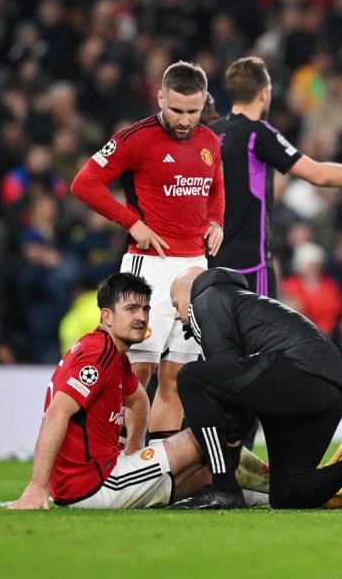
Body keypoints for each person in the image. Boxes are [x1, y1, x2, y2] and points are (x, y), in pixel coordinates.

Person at [70, 61, 225, 442]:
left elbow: (216, 185)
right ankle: (114, 457)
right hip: (149, 266)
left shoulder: (209, 141)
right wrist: (131, 222)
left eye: (193, 111)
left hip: (194, 269)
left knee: (178, 376)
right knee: (138, 370)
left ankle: (157, 468)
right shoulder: (135, 139)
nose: (185, 120)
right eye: (176, 110)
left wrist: (216, 220)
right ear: (160, 98)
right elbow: (84, 182)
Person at [167, 266, 342, 510]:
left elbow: (225, 373)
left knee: (191, 377)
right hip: (331, 386)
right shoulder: (238, 299)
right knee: (287, 495)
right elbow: (240, 384)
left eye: (175, 304)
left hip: (300, 372)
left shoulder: (206, 298)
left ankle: (223, 488)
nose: (176, 315)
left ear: (189, 292)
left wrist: (231, 441)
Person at [206, 56, 342, 298]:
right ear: (263, 93)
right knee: (254, 335)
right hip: (249, 264)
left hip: (210, 260)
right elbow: (319, 174)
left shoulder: (210, 133)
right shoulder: (257, 133)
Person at [8, 273, 210, 509]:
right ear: (107, 316)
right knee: (208, 434)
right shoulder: (99, 353)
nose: (141, 317)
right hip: (96, 484)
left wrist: (133, 449)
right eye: (131, 309)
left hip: (96, 480)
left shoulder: (112, 353)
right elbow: (56, 413)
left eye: (145, 309)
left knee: (207, 477)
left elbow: (138, 400)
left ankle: (258, 487)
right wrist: (37, 486)